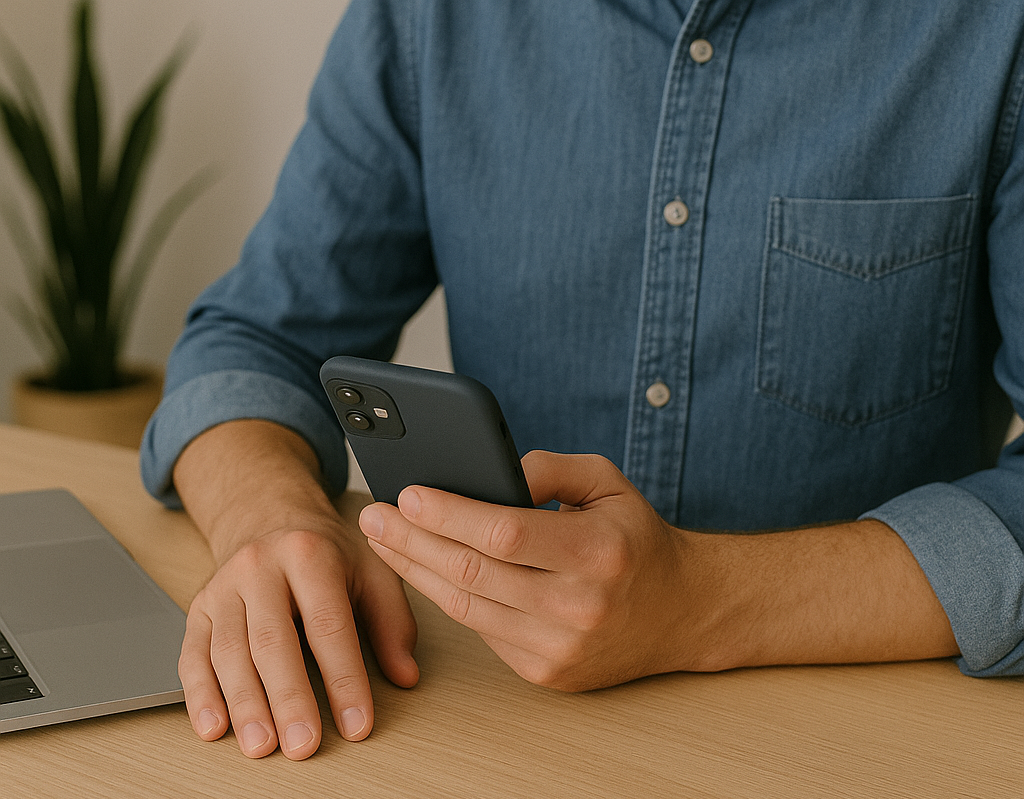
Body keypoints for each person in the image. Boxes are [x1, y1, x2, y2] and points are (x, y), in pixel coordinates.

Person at [142, 0, 1024, 760]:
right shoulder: (432, 16)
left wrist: (699, 602)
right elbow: (255, 338)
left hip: (868, 762)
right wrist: (273, 519)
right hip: (499, 738)